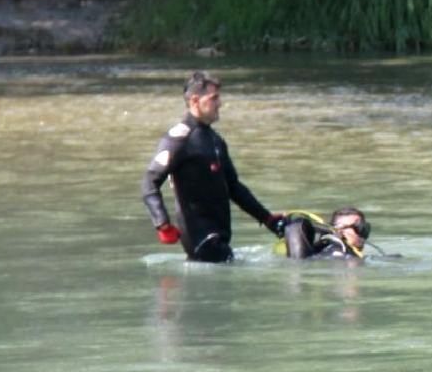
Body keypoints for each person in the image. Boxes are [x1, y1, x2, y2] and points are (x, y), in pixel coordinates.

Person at [142, 72, 285, 262]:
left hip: (220, 240)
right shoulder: (179, 139)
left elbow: (234, 188)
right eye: (214, 98)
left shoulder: (215, 140)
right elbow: (149, 183)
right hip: (202, 242)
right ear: (195, 101)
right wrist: (162, 224)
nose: (220, 103)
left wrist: (268, 220)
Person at [279, 207, 373, 260]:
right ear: (339, 232)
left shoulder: (320, 249)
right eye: (361, 228)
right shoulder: (345, 256)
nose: (364, 235)